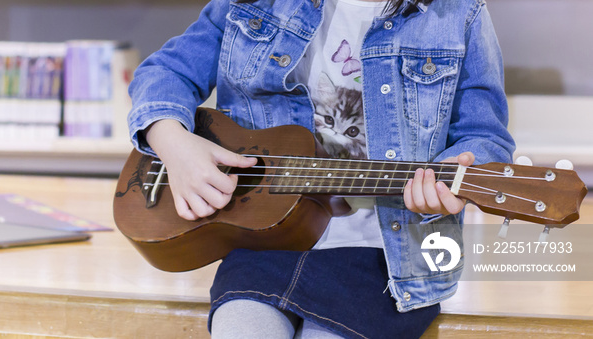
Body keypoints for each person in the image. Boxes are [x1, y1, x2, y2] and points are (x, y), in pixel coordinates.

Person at [127, 0, 515, 337]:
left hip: (385, 260)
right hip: (263, 245)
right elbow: (164, 72)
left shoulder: (460, 14)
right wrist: (173, 143)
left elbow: (483, 137)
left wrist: (454, 176)